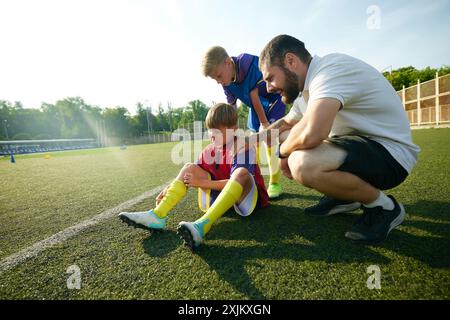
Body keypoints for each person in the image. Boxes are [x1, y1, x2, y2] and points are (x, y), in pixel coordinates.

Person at [253, 34, 420, 244]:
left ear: (291, 61)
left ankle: (384, 207)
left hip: (392, 155)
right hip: (362, 148)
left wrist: (282, 152)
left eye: (270, 78)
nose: (269, 88)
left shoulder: (329, 72)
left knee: (301, 163)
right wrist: (250, 141)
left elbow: (314, 132)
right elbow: (286, 123)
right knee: (287, 136)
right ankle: (344, 197)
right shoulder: (307, 88)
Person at [119, 103, 269, 250]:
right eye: (210, 130)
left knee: (241, 173)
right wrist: (168, 189)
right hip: (223, 198)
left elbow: (237, 180)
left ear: (233, 130)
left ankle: (201, 226)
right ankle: (158, 214)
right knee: (189, 167)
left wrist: (201, 182)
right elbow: (192, 173)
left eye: (217, 131)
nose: (211, 135)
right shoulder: (209, 150)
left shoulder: (243, 146)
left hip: (248, 200)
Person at [201, 46, 286, 199]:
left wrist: (265, 123)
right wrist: (231, 130)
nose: (219, 82)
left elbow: (254, 93)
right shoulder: (226, 83)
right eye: (216, 79)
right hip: (255, 107)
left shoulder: (246, 63)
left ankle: (275, 182)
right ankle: (252, 178)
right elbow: (231, 107)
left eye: (219, 76)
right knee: (251, 141)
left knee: (268, 137)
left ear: (228, 62)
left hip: (272, 100)